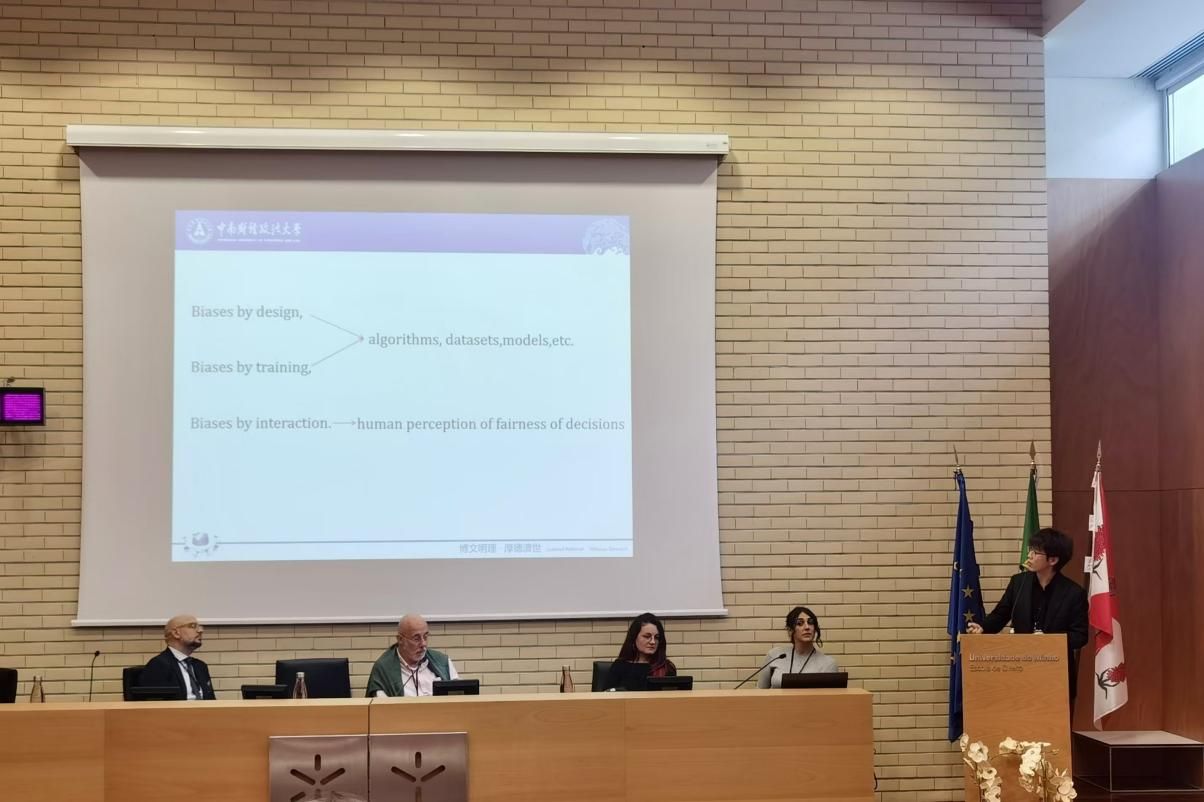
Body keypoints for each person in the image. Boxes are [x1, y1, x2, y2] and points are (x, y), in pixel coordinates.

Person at [967, 527, 1089, 700]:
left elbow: (1080, 636)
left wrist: (1049, 640)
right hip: (1021, 669)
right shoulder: (1018, 583)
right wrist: (983, 628)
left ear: (1053, 560)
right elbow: (1001, 614)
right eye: (1030, 550)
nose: (1029, 555)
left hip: (1056, 674)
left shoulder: (1074, 593)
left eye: (1035, 552)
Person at [366, 614, 459, 697]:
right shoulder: (383, 669)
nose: (423, 644)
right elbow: (381, 707)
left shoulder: (442, 662)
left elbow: (460, 695)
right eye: (416, 638)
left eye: (425, 637)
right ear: (400, 639)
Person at [758, 605, 839, 688]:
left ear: (815, 629)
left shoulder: (828, 663)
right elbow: (759, 692)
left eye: (810, 622)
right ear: (790, 630)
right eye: (800, 623)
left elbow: (831, 696)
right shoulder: (775, 655)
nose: (807, 627)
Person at [138, 613, 216, 700]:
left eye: (200, 627)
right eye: (193, 626)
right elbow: (155, 704)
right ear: (176, 633)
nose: (200, 630)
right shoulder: (159, 665)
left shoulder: (200, 666)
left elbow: (211, 701)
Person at [604, 612, 676, 691]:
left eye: (657, 637)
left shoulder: (666, 667)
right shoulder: (619, 666)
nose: (653, 642)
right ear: (634, 637)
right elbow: (606, 695)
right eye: (647, 636)